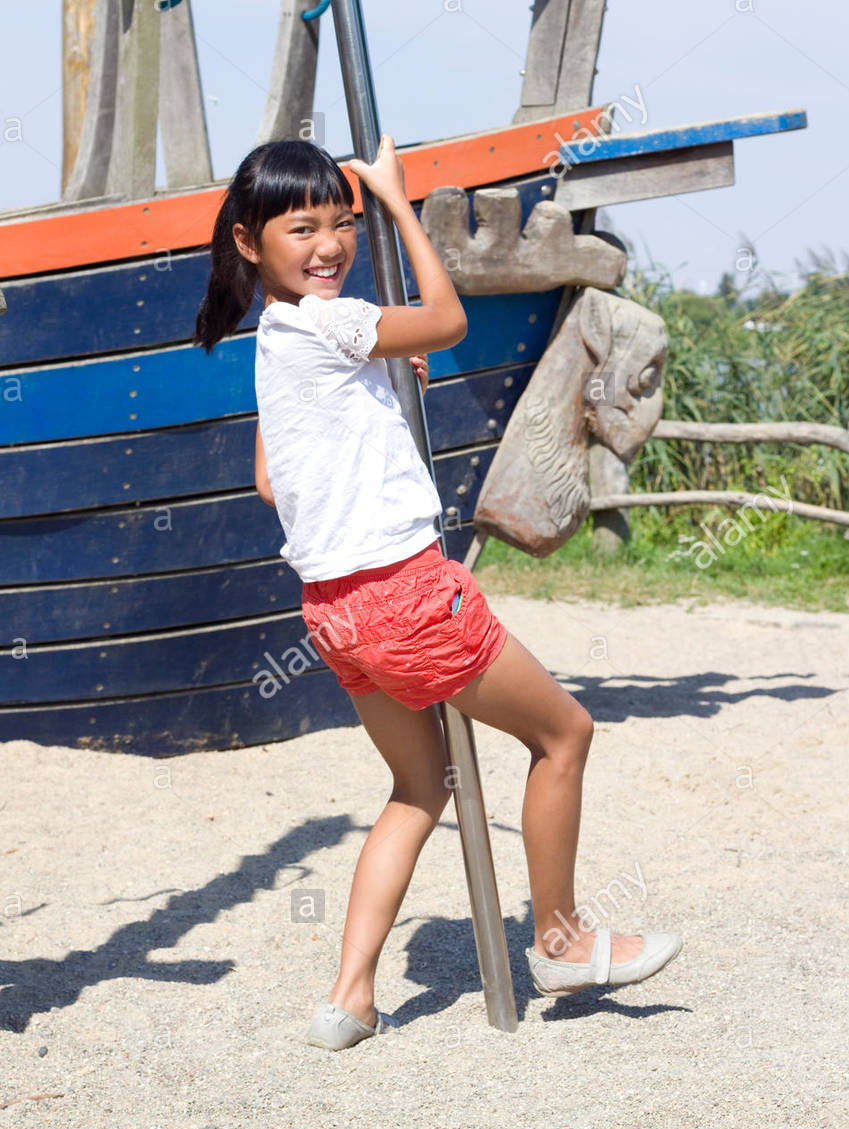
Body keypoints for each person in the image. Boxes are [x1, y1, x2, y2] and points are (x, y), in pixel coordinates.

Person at [193, 135, 682, 1050]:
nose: (332, 244)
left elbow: (272, 479)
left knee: (419, 788)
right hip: (406, 594)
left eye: (344, 222)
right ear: (251, 243)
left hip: (334, 613)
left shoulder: (277, 339)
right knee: (564, 734)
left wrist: (374, 373)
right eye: (305, 228)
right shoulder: (335, 321)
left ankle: (350, 996)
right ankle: (563, 939)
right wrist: (398, 203)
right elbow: (447, 319)